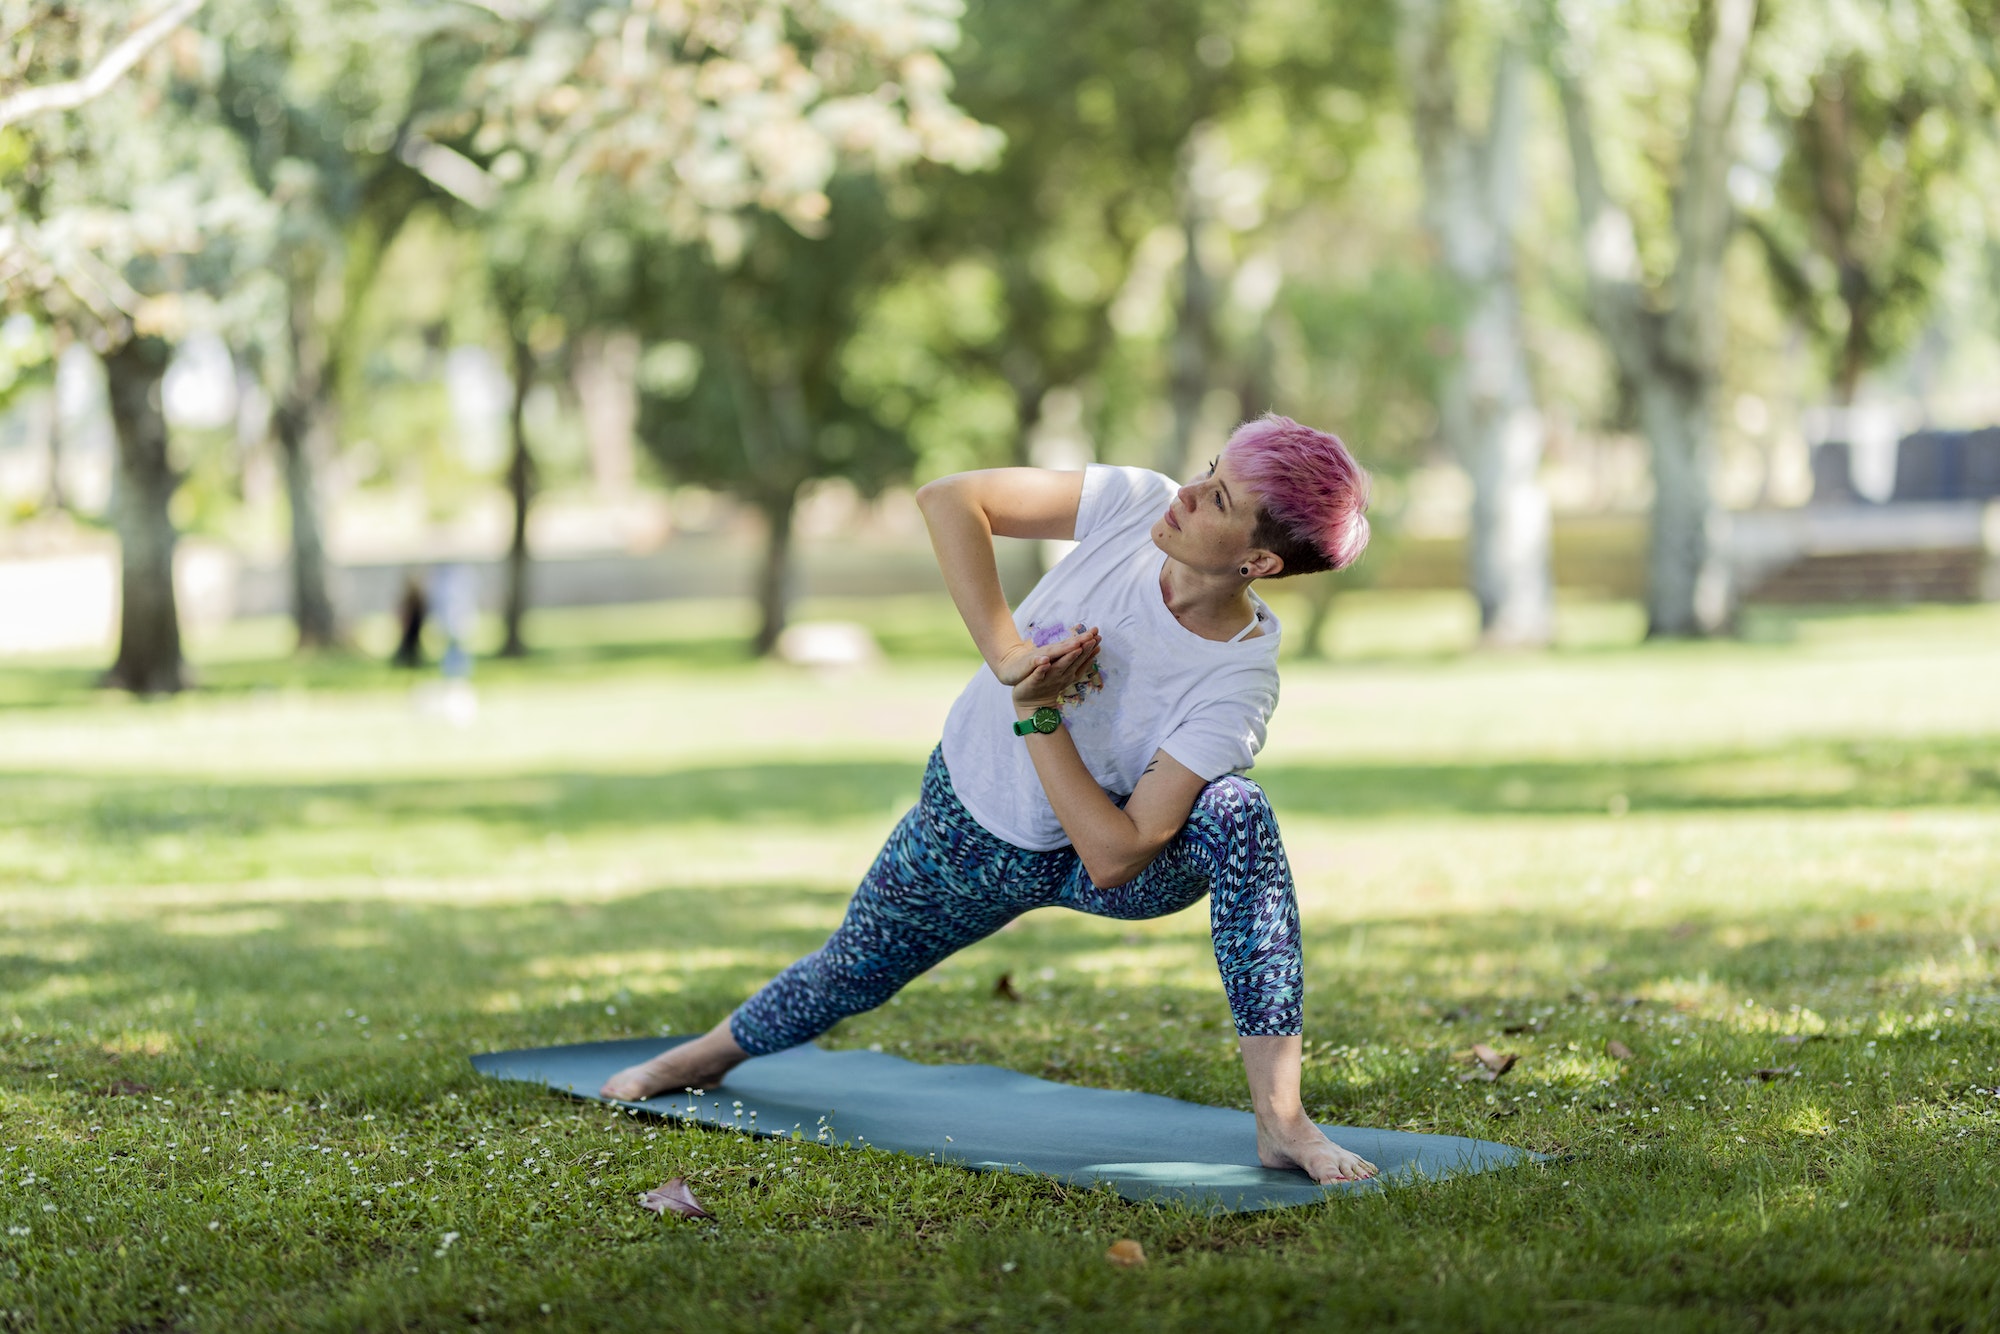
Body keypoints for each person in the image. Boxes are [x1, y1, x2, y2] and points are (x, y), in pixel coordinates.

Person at [603, 414, 1378, 1183]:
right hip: (968, 831)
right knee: (849, 973)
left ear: (1259, 562)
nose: (1189, 492)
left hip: (1097, 854)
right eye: (1210, 469)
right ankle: (702, 1056)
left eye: (1219, 499)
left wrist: (1037, 711)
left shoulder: (1238, 678)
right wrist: (1011, 655)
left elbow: (1115, 858)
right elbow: (950, 498)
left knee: (1239, 814)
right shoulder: (1134, 501)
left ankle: (1281, 1121)